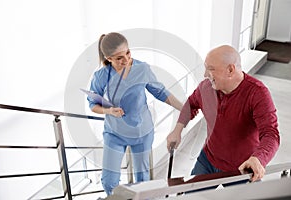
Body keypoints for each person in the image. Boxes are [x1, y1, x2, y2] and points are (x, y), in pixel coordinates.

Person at [167, 45, 280, 186]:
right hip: (208, 161)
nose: (205, 74)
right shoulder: (206, 87)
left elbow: (271, 134)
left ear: (230, 70)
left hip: (241, 169)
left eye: (211, 69)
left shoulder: (258, 93)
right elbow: (191, 104)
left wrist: (258, 159)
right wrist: (177, 130)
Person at [87, 32, 183, 196]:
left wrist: (185, 108)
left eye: (128, 53)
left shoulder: (142, 69)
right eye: (119, 58)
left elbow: (160, 92)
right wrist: (108, 110)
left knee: (142, 179)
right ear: (109, 58)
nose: (126, 59)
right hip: (114, 132)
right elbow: (93, 104)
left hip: (141, 132)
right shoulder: (101, 76)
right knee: (109, 181)